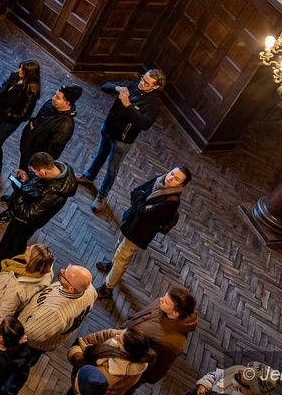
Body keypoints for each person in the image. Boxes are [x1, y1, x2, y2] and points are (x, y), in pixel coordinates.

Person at [0, 152, 76, 286]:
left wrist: (20, 191)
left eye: (35, 172)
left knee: (6, 249)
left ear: (44, 172)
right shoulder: (56, 170)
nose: (34, 175)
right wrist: (28, 178)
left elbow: (26, 216)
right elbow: (39, 184)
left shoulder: (54, 196)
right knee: (17, 246)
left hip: (24, 224)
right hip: (27, 220)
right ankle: (14, 269)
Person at [96, 166, 191, 299]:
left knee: (122, 258)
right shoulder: (159, 179)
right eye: (172, 174)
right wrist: (141, 202)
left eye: (176, 179)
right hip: (130, 221)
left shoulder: (172, 202)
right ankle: (113, 266)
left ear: (181, 185)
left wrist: (140, 199)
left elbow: (145, 212)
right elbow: (136, 191)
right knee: (118, 246)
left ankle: (108, 288)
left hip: (139, 232)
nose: (170, 178)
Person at [79, 70, 165, 212]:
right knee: (100, 156)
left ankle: (102, 196)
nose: (141, 83)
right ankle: (89, 177)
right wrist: (117, 88)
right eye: (142, 79)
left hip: (122, 141)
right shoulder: (133, 85)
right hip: (107, 129)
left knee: (112, 169)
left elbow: (145, 124)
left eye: (146, 83)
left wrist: (128, 105)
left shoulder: (153, 104)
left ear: (155, 87)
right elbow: (105, 86)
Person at [12, 264, 98, 389]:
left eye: (64, 275)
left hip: (30, 343)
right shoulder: (90, 290)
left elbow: (30, 334)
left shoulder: (55, 312)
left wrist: (14, 336)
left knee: (20, 365)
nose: (61, 270)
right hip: (45, 327)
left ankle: (10, 388)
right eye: (66, 268)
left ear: (71, 289)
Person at [123, 287, 198, 392]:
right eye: (164, 296)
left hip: (130, 367)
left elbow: (157, 368)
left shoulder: (173, 344)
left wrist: (138, 377)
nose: (160, 299)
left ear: (176, 313)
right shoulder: (162, 304)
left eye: (166, 301)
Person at [0, 243, 54, 323]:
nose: (27, 247)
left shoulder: (16, 288)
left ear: (32, 262)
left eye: (29, 250)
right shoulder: (45, 270)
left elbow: (4, 313)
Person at [0, 60, 41, 179]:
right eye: (20, 67)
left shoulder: (30, 92)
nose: (19, 70)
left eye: (22, 69)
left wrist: (7, 114)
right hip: (0, 114)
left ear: (29, 73)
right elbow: (2, 89)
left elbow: (24, 115)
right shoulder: (14, 77)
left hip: (9, 122)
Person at [67, 325, 154, 395]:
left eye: (119, 340)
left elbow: (85, 378)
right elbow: (90, 339)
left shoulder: (111, 373)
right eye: (122, 332)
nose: (116, 336)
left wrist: (77, 354)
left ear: (126, 351)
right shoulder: (126, 339)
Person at [17, 85, 82, 170]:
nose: (53, 98)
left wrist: (35, 165)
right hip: (26, 152)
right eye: (55, 94)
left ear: (67, 103)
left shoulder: (65, 126)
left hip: (34, 161)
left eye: (58, 97)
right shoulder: (50, 103)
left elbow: (51, 152)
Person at [194, 361, 276, 394]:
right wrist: (203, 385)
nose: (241, 371)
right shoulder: (238, 370)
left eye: (248, 374)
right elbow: (215, 375)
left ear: (253, 387)